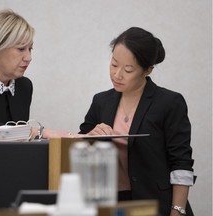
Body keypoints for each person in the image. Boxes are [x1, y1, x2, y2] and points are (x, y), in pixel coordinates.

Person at [79, 27, 195, 216]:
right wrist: (90, 136)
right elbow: (80, 148)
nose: (117, 75)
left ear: (147, 70)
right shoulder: (101, 101)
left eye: (128, 69)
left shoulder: (169, 103)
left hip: (158, 205)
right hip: (111, 205)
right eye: (114, 64)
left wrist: (177, 210)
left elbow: (181, 162)